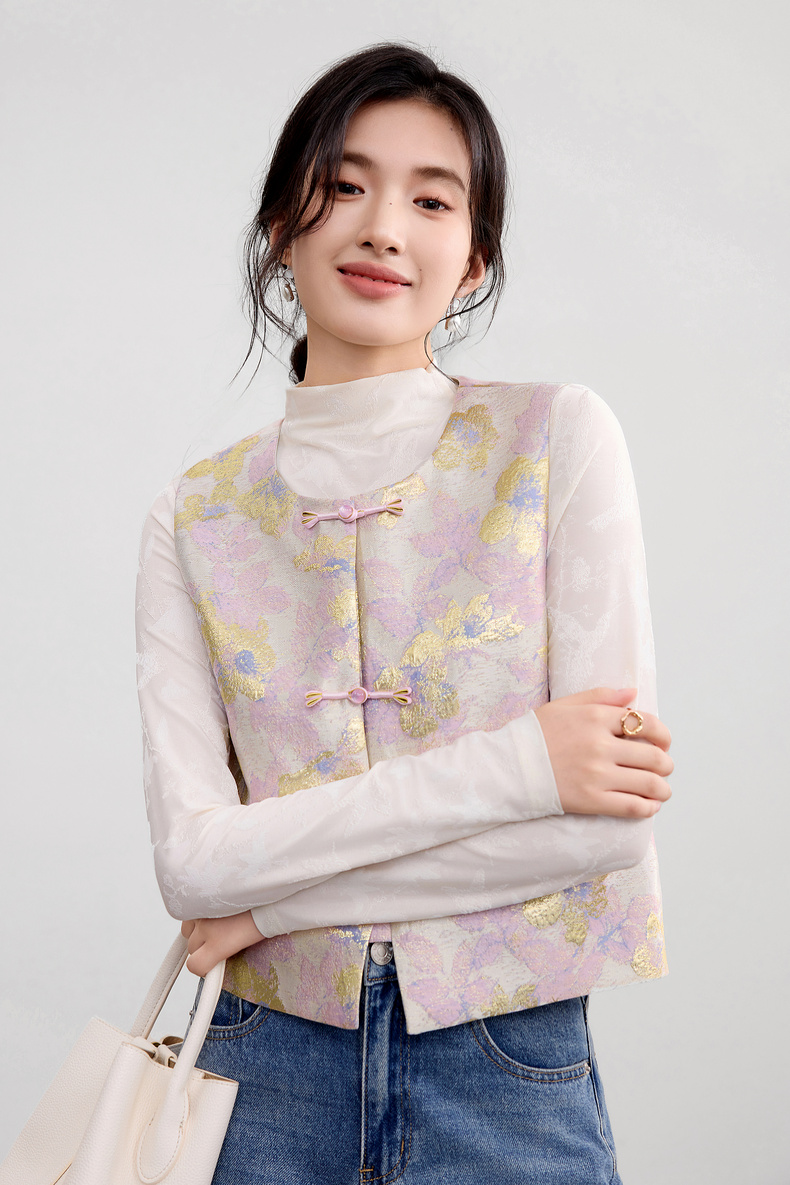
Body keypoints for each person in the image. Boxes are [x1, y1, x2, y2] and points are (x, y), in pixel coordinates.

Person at [136, 42, 673, 1184]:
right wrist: (526, 763)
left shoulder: (557, 438)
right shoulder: (195, 514)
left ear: (473, 260)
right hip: (261, 1067)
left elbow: (606, 832)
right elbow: (193, 867)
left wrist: (266, 903)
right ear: (281, 226)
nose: (384, 227)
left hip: (506, 1066)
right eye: (344, 185)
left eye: (432, 200)